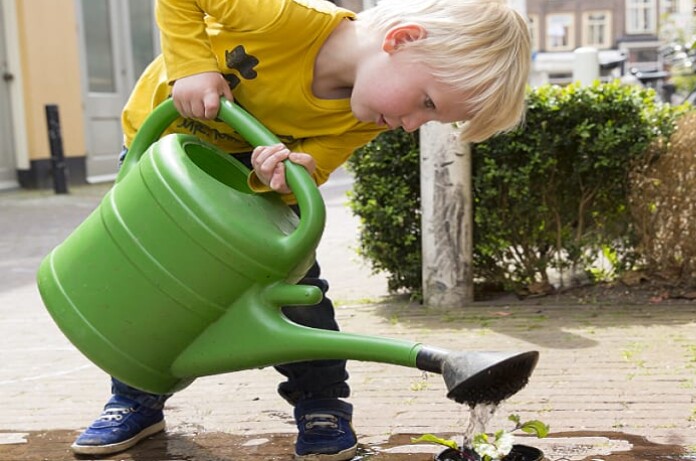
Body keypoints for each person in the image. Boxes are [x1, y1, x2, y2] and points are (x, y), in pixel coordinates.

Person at [70, 0, 531, 459]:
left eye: (431, 118)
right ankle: (135, 398)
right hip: (163, 154)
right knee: (154, 286)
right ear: (402, 40)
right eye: (425, 103)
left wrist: (286, 175)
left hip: (241, 172)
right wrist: (191, 67)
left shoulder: (361, 116)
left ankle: (323, 404)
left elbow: (302, 185)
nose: (411, 126)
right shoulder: (282, 16)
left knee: (294, 290)